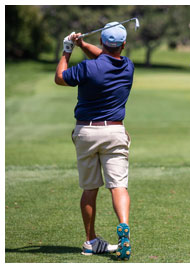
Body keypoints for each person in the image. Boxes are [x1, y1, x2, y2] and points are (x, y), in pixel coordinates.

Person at [54, 22, 134, 261]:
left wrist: (68, 50)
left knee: (90, 188)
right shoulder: (128, 66)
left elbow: (59, 78)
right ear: (124, 45)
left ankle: (90, 241)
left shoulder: (88, 68)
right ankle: (124, 229)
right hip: (115, 132)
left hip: (87, 132)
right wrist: (81, 44)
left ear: (101, 42)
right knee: (118, 185)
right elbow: (107, 57)